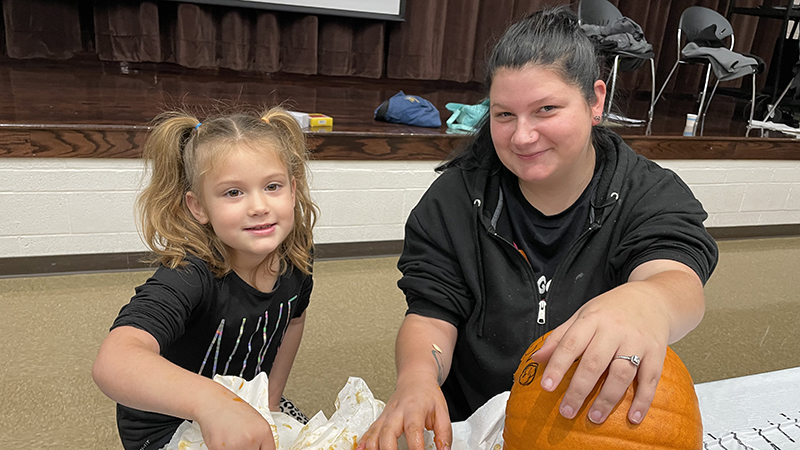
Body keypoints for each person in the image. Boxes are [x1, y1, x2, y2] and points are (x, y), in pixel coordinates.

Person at [357, 7, 718, 450]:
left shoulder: (648, 191)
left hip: (590, 428)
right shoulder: (454, 198)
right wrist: (416, 378)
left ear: (595, 101)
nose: (522, 137)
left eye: (546, 109)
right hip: (474, 424)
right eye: (504, 115)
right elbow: (433, 312)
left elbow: (678, 275)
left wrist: (650, 301)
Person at [92, 106, 318, 450]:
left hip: (244, 400)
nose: (259, 206)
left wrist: (271, 402)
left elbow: (294, 322)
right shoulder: (189, 274)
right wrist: (211, 402)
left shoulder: (297, 259)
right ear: (198, 207)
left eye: (272, 186)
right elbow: (114, 360)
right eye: (233, 192)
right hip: (166, 424)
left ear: (293, 188)